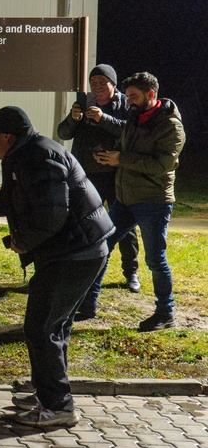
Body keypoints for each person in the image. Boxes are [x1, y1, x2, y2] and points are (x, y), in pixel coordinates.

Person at [0, 106, 113, 428]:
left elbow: (52, 215)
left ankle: (58, 406)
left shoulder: (37, 157)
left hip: (76, 253)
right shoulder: (25, 155)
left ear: (7, 135)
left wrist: (22, 241)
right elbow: (7, 203)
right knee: (53, 326)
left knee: (41, 327)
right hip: (75, 250)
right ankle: (47, 394)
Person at [81, 72, 186, 331]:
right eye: (128, 97)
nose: (129, 101)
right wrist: (108, 154)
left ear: (152, 95)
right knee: (101, 247)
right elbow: (123, 135)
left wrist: (121, 160)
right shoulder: (134, 117)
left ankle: (165, 313)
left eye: (134, 96)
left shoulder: (171, 126)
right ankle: (88, 305)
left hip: (153, 201)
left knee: (155, 259)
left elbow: (162, 164)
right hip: (125, 199)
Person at [57, 64, 139, 298]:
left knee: (124, 227)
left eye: (103, 83)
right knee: (80, 222)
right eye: (94, 83)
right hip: (88, 176)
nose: (98, 87)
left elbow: (130, 132)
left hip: (117, 175)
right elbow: (63, 133)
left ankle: (131, 272)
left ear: (113, 84)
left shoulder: (124, 105)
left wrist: (104, 119)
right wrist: (74, 119)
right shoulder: (84, 103)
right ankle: (77, 270)